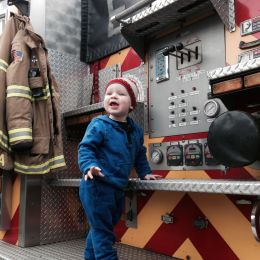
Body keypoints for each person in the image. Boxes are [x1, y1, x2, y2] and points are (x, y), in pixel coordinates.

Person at [78, 75, 161, 260]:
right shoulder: (99, 125)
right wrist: (89, 165)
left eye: (121, 94)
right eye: (109, 93)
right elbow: (86, 148)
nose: (113, 96)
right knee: (104, 233)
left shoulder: (135, 130)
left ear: (132, 104)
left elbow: (139, 153)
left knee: (102, 228)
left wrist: (145, 173)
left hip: (117, 188)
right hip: (96, 187)